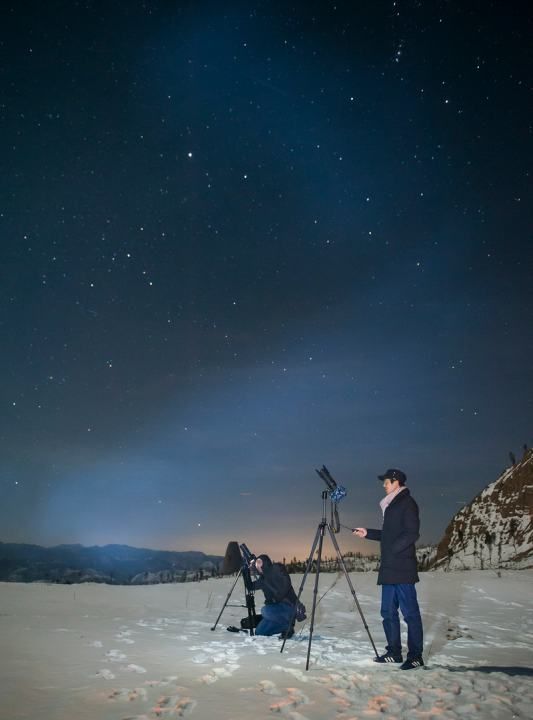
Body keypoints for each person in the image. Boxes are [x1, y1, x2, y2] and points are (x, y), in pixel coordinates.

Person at [353, 468, 424, 670]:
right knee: (387, 612)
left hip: (402, 567)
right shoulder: (390, 505)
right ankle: (394, 652)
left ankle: (416, 656)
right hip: (389, 568)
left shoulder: (407, 503)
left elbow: (412, 533)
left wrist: (393, 550)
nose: (383, 485)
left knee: (410, 613)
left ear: (396, 482)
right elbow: (389, 534)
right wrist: (367, 533)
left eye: (386, 481)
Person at [250, 554, 299, 638]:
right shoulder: (262, 580)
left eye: (259, 563)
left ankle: (288, 623)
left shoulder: (277, 568)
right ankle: (286, 627)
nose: (258, 566)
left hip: (288, 606)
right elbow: (250, 586)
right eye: (256, 564)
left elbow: (286, 583)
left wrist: (276, 598)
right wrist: (245, 573)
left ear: (265, 563)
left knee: (265, 611)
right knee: (259, 632)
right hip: (275, 610)